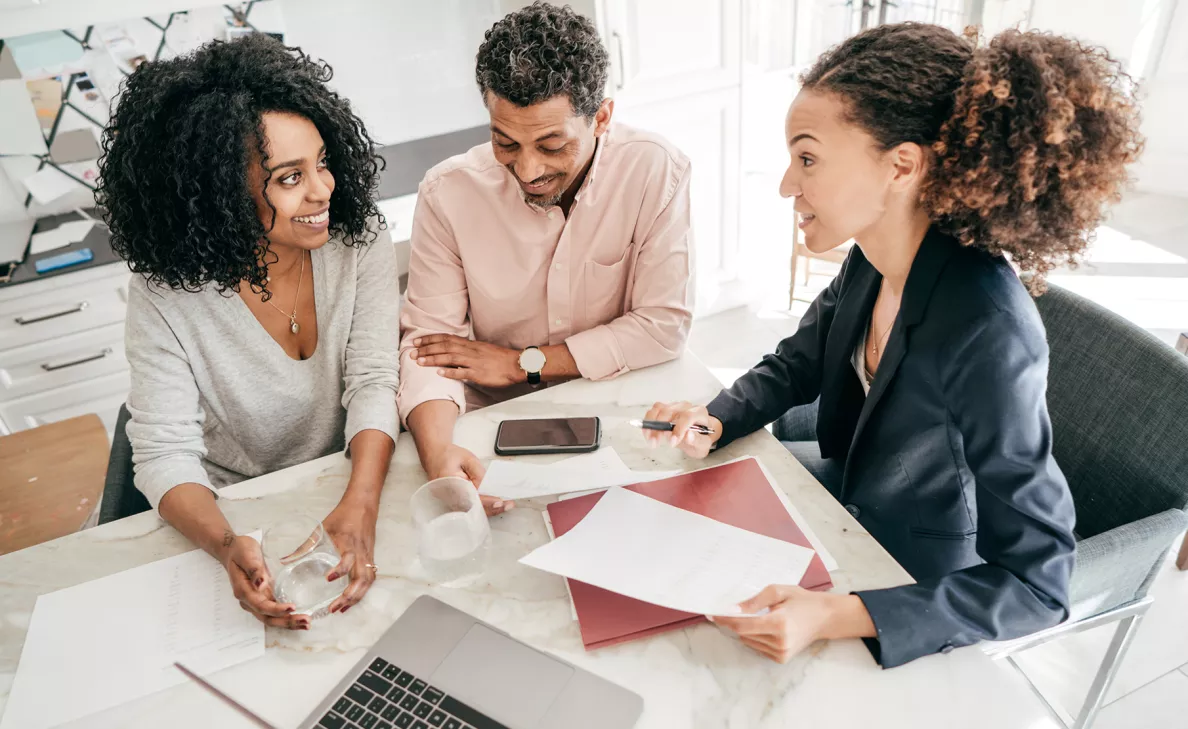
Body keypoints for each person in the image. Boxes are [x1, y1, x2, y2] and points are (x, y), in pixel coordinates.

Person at [643, 23, 1142, 668]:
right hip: (842, 508)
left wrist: (837, 614)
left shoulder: (988, 330)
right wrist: (717, 416)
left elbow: (1039, 584)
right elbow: (797, 363)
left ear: (902, 165)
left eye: (808, 158)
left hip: (912, 578)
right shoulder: (875, 259)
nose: (787, 186)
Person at [98, 35, 401, 629]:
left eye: (323, 162)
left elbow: (373, 379)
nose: (323, 190)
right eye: (290, 178)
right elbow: (162, 454)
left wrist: (360, 502)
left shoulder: (357, 239)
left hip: (349, 476)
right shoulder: (167, 295)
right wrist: (224, 543)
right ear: (219, 195)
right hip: (240, 509)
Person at [398, 1, 695, 501]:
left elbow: (663, 325)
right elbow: (430, 347)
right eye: (505, 143)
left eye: (553, 146)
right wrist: (437, 454)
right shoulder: (447, 192)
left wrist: (524, 363)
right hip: (487, 428)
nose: (528, 170)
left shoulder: (656, 171)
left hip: (617, 416)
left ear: (601, 117)